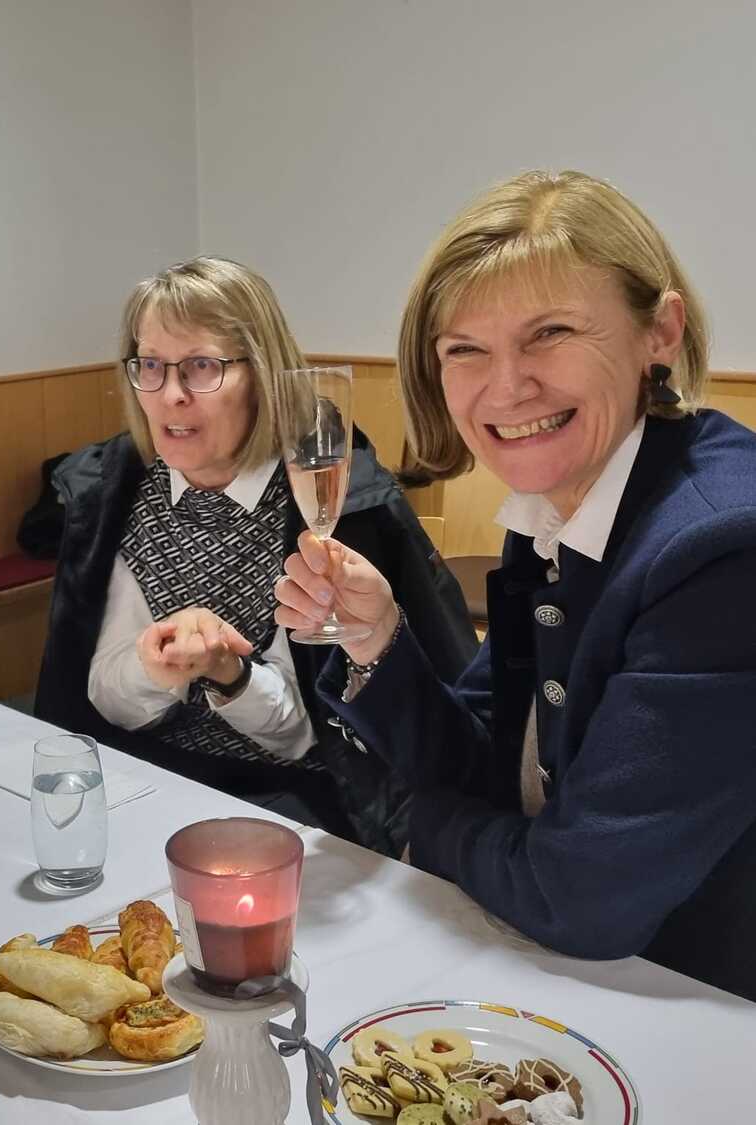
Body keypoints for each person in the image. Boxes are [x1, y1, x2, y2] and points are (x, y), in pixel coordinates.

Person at [275, 170, 756, 1000]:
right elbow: (489, 766)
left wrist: (421, 826)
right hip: (578, 971)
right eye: (465, 349)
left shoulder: (722, 550)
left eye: (551, 332)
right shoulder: (558, 502)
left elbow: (582, 896)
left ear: (660, 331)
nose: (505, 388)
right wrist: (378, 639)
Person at [36, 256, 477, 854]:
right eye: (151, 366)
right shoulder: (112, 495)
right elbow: (97, 697)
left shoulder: (331, 500)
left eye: (202, 366)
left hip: (296, 798)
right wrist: (153, 670)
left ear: (264, 375)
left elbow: (315, 737)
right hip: (139, 775)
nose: (171, 396)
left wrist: (231, 674)